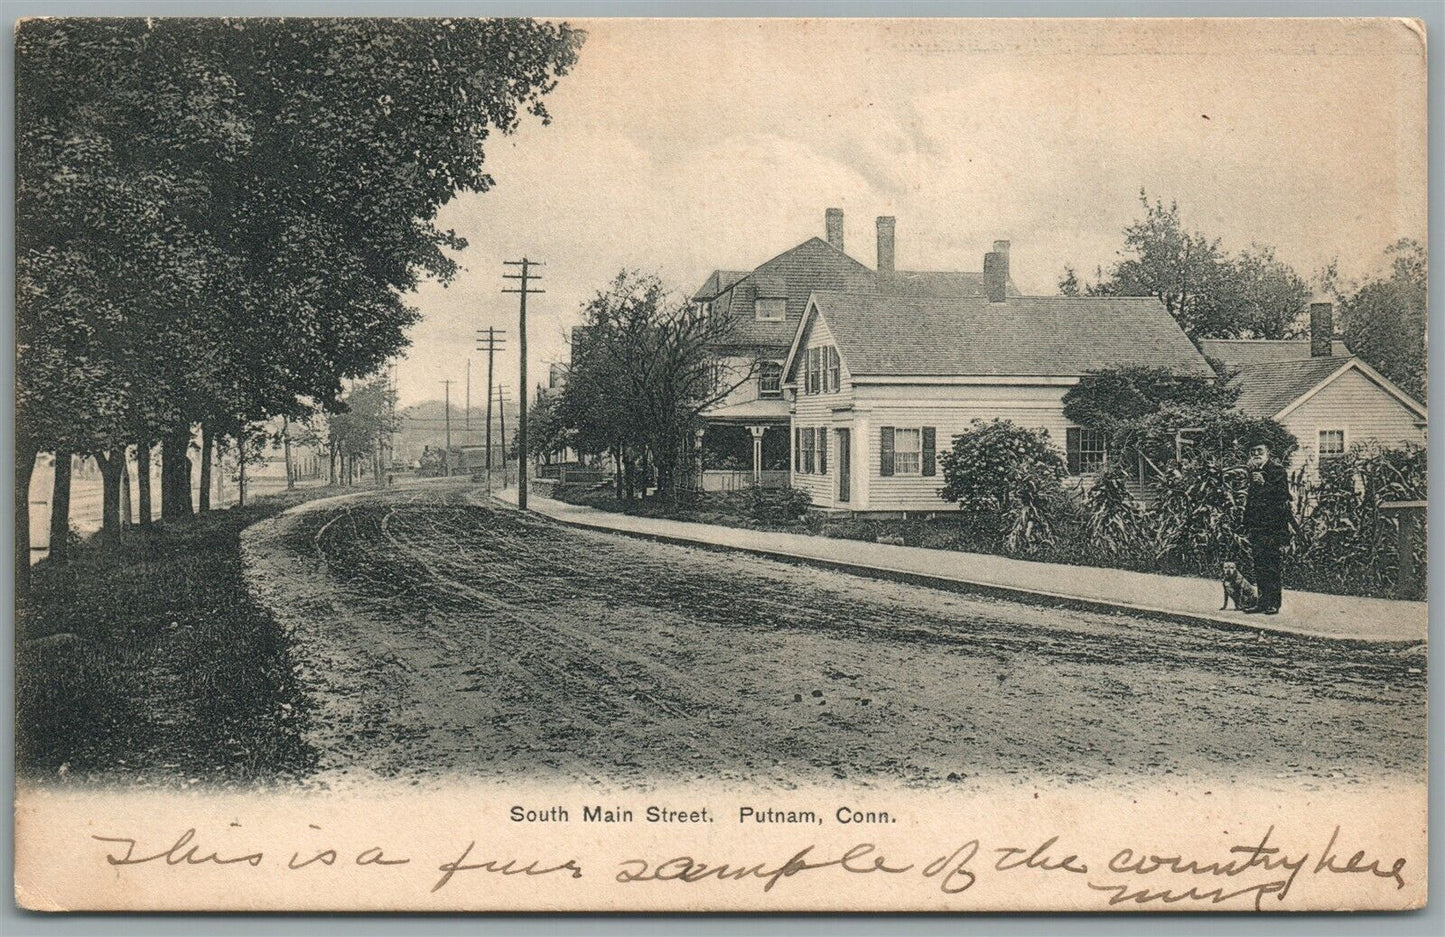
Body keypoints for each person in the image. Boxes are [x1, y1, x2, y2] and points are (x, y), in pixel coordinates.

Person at [1242, 440, 1291, 614]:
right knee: (1259, 565)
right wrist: (1246, 523)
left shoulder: (1277, 470)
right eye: (1253, 450)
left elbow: (1282, 497)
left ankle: (1273, 604)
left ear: (1267, 452)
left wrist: (1265, 484)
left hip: (1272, 527)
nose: (1256, 454)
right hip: (1257, 527)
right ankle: (1262, 602)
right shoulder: (1253, 471)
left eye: (1259, 450)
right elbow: (1251, 499)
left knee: (1272, 565)